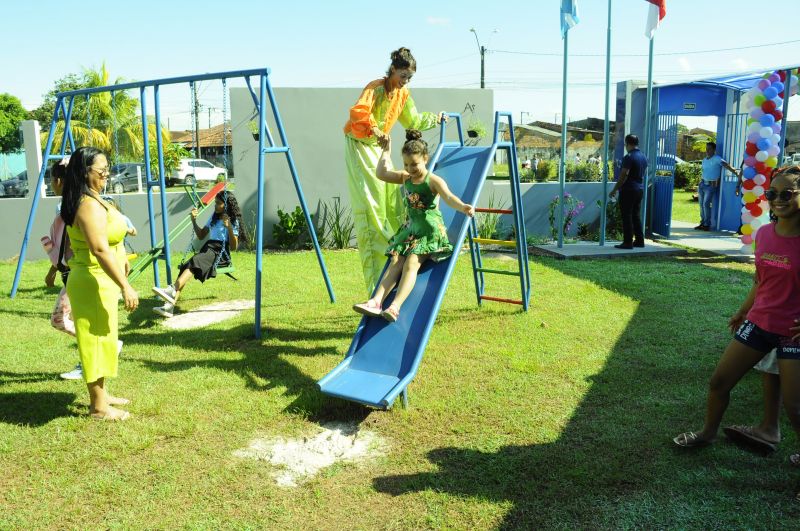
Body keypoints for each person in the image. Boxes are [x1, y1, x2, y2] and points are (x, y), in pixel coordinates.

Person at [673, 165, 800, 499]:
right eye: (772, 194)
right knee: (719, 382)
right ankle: (707, 433)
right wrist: (743, 311)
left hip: (793, 334)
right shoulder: (764, 235)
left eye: (787, 193)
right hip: (759, 323)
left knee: (796, 408)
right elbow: (761, 280)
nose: (777, 200)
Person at [344, 47, 446, 294]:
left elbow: (413, 120)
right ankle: (375, 283)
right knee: (372, 205)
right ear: (392, 70)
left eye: (409, 77)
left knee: (392, 201)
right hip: (360, 143)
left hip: (381, 146)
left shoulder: (403, 94)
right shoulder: (376, 87)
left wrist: (436, 118)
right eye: (403, 75)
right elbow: (359, 112)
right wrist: (374, 129)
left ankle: (398, 262)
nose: (405, 81)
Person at [352, 130, 474, 322]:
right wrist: (386, 150)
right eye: (407, 164)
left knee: (411, 263)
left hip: (428, 231)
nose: (410, 168)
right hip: (410, 229)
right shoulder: (405, 177)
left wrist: (463, 207)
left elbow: (449, 197)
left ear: (425, 158)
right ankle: (376, 302)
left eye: (414, 164)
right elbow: (381, 173)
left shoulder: (433, 181)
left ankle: (394, 307)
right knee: (395, 262)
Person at [60, 146, 138, 421]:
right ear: (84, 172)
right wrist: (126, 286)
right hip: (92, 279)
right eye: (101, 171)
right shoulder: (87, 205)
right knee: (94, 341)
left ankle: (102, 396)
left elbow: (112, 240)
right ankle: (98, 407)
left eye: (107, 170)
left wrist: (123, 260)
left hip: (102, 280)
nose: (107, 175)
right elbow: (99, 249)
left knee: (105, 338)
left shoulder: (95, 198)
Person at [152, 190, 245, 318]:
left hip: (220, 253)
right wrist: (193, 221)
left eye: (219, 203)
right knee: (186, 267)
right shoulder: (213, 218)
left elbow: (234, 247)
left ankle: (172, 290)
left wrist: (228, 226)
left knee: (195, 260)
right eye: (215, 203)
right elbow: (201, 235)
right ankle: (169, 306)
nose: (215, 205)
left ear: (227, 205)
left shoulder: (233, 221)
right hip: (208, 248)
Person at [608, 134, 646, 249]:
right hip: (639, 189)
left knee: (627, 216)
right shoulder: (643, 156)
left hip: (628, 189)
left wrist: (615, 189)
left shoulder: (628, 157)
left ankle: (628, 242)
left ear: (627, 143)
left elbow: (624, 175)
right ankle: (639, 241)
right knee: (636, 215)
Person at [697, 141, 740, 231]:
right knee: (701, 205)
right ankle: (702, 223)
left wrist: (736, 172)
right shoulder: (704, 160)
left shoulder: (717, 158)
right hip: (702, 184)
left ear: (714, 150)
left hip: (711, 186)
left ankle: (706, 224)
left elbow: (726, 165)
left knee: (706, 204)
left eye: (709, 149)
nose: (707, 150)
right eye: (706, 149)